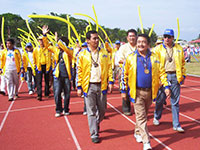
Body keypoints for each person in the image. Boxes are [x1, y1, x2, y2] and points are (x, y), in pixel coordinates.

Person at [121, 34, 170, 150]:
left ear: (148, 44)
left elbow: (162, 73)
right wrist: (123, 90)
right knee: (141, 117)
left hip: (151, 92)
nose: (140, 44)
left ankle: (137, 132)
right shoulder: (130, 57)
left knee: (143, 116)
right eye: (139, 42)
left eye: (143, 42)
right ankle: (146, 142)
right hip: (136, 92)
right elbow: (124, 74)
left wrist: (166, 86)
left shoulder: (155, 57)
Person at [76, 30, 113, 143]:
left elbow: (109, 67)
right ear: (88, 40)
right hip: (89, 86)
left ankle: (96, 123)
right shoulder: (82, 54)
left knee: (102, 110)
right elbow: (79, 71)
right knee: (91, 111)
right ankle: (94, 134)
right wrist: (79, 86)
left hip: (102, 85)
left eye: (97, 38)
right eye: (94, 38)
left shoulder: (104, 53)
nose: (97, 40)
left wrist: (110, 81)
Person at [153, 29, 186, 132]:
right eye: (165, 36)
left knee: (175, 101)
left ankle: (176, 124)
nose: (166, 38)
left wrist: (183, 75)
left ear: (173, 38)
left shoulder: (179, 48)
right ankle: (156, 116)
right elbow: (155, 64)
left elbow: (183, 63)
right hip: (163, 76)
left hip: (175, 76)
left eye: (169, 36)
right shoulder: (158, 49)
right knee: (160, 99)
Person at [42, 25, 73, 117]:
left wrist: (58, 41)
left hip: (67, 75)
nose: (57, 45)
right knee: (57, 93)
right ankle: (58, 109)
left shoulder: (69, 51)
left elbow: (66, 48)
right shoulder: (56, 50)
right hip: (57, 76)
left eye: (60, 43)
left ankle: (66, 109)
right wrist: (44, 36)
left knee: (67, 94)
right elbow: (47, 45)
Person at [118, 29, 137, 116]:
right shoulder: (123, 47)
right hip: (126, 73)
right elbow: (120, 60)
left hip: (138, 73)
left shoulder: (139, 45)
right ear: (127, 38)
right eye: (130, 36)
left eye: (133, 36)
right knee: (125, 91)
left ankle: (138, 108)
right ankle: (126, 109)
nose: (132, 38)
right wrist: (130, 61)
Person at [33, 34, 52, 101]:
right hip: (39, 66)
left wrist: (49, 66)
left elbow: (50, 58)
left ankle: (46, 93)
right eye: (40, 40)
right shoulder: (36, 49)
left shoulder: (48, 49)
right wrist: (35, 66)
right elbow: (34, 58)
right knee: (39, 81)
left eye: (42, 40)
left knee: (47, 81)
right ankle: (39, 95)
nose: (41, 42)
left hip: (46, 66)